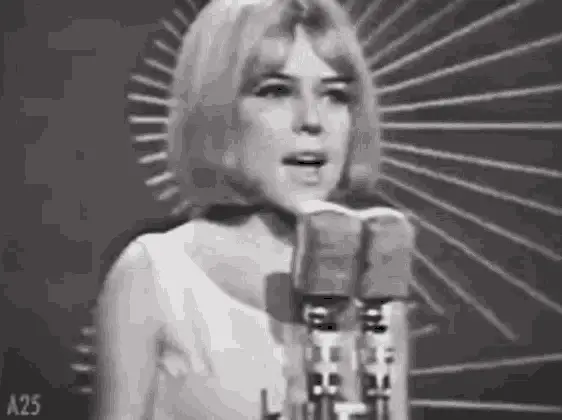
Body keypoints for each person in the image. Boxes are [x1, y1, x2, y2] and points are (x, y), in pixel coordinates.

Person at [94, 0, 408, 419]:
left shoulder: (374, 297)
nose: (312, 120)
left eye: (335, 95)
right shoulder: (151, 276)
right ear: (218, 109)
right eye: (276, 91)